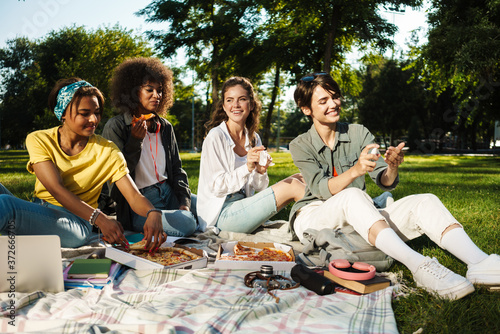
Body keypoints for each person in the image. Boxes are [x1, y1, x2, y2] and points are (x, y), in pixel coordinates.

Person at [289, 72, 500, 300]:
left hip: (357, 216)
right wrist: (356, 170)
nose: (334, 104)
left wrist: (391, 167)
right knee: (353, 195)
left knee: (425, 200)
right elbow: (322, 189)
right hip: (314, 217)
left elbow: (384, 180)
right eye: (323, 101)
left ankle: (480, 262)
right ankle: (419, 266)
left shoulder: (359, 132)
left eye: (335, 97)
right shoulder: (299, 144)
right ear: (306, 109)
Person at [0, 78, 165, 250]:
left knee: (6, 205)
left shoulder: (107, 151)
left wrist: (152, 212)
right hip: (39, 210)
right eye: (84, 113)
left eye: (97, 112)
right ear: (63, 113)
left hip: (76, 223)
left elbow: (134, 196)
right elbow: (56, 188)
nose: (93, 119)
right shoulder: (39, 139)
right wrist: (101, 220)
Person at [102, 57, 197, 237]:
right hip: (139, 203)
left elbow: (177, 170)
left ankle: (184, 216)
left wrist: (183, 203)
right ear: (133, 92)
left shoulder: (166, 127)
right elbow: (115, 182)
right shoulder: (116, 127)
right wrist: (135, 142)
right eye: (149, 90)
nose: (157, 95)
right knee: (188, 223)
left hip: (168, 192)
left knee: (206, 208)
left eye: (160, 90)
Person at [197, 76, 306, 233]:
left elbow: (259, 187)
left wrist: (260, 171)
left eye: (242, 99)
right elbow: (216, 186)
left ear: (251, 104)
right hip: (221, 214)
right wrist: (247, 167)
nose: (235, 105)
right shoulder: (216, 136)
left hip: (243, 206)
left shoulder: (253, 138)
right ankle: (324, 224)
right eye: (229, 100)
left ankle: (311, 223)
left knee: (298, 178)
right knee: (294, 186)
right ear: (224, 106)